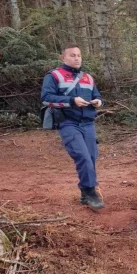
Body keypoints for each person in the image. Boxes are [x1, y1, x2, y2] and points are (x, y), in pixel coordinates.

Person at [41, 44, 105, 210]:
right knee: (82, 157)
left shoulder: (88, 77)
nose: (77, 58)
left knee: (91, 158)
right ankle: (91, 192)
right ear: (63, 58)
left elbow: (96, 95)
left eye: (79, 55)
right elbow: (46, 98)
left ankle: (85, 193)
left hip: (88, 123)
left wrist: (98, 101)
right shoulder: (54, 76)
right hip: (68, 123)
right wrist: (72, 101)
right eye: (72, 55)